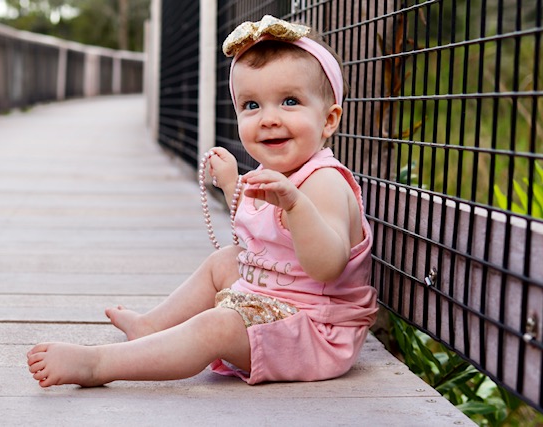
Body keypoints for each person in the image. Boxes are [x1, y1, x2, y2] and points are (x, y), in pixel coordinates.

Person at [27, 15, 377, 388]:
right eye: (252, 105)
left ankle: (99, 364)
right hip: (274, 303)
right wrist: (232, 187)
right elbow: (267, 239)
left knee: (215, 327)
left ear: (329, 120)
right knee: (224, 261)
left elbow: (326, 266)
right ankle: (151, 326)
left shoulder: (323, 182)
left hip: (314, 330)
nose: (269, 119)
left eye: (289, 102)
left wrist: (296, 205)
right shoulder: (277, 172)